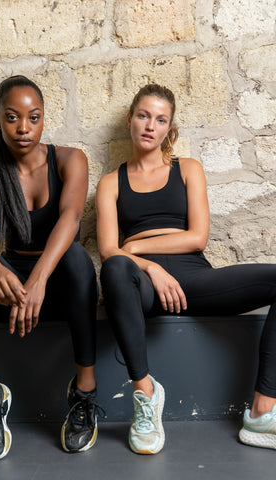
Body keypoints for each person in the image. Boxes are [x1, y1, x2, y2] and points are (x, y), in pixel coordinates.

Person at [96, 83, 276, 455]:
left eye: (161, 120)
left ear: (169, 129)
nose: (150, 125)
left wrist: (138, 246)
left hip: (194, 279)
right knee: (114, 268)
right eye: (144, 115)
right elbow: (109, 251)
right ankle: (145, 394)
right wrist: (150, 268)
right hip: (142, 284)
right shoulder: (111, 183)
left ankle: (263, 410)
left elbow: (197, 238)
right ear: (130, 120)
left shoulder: (188, 169)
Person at [0, 75, 101, 460]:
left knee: (76, 259)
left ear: (43, 118)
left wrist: (38, 280)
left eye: (33, 117)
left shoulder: (70, 159)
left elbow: (70, 218)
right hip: (13, 295)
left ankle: (84, 392)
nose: (23, 128)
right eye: (12, 118)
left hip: (54, 288)